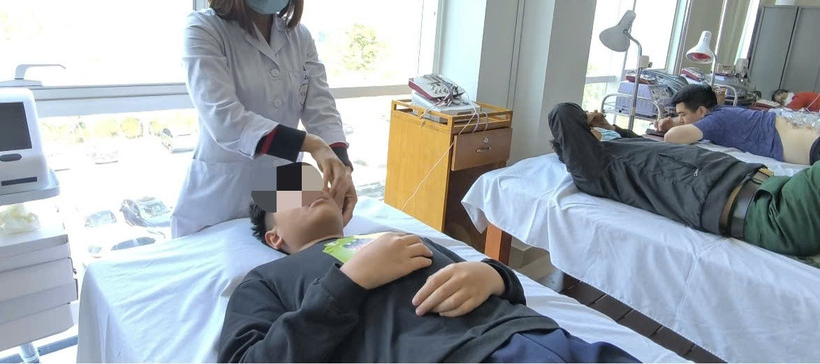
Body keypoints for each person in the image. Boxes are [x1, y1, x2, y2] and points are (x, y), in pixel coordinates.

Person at [217, 164, 637, 363]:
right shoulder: (267, 280)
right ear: (274, 237)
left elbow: (506, 289)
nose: (312, 190)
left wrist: (492, 275)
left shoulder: (394, 237)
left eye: (312, 182)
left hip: (547, 339)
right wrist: (349, 282)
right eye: (290, 194)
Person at [173, 0, 356, 237]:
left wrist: (341, 166)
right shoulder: (204, 30)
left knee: (287, 251)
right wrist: (311, 144)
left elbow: (321, 108)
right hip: (222, 195)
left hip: (285, 189)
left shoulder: (299, 37)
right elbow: (225, 120)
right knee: (231, 262)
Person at [549, 102, 820, 257]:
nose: (601, 119)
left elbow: (632, 140)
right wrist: (586, 118)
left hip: (772, 189)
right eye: (594, 125)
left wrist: (610, 128)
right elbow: (562, 112)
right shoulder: (595, 170)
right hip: (767, 212)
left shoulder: (626, 150)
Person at [654, 84, 819, 165]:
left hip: (813, 148)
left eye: (682, 115)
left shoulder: (715, 120)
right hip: (811, 142)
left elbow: (671, 138)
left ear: (702, 111)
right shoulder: (725, 112)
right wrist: (676, 121)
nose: (681, 119)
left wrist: (673, 124)